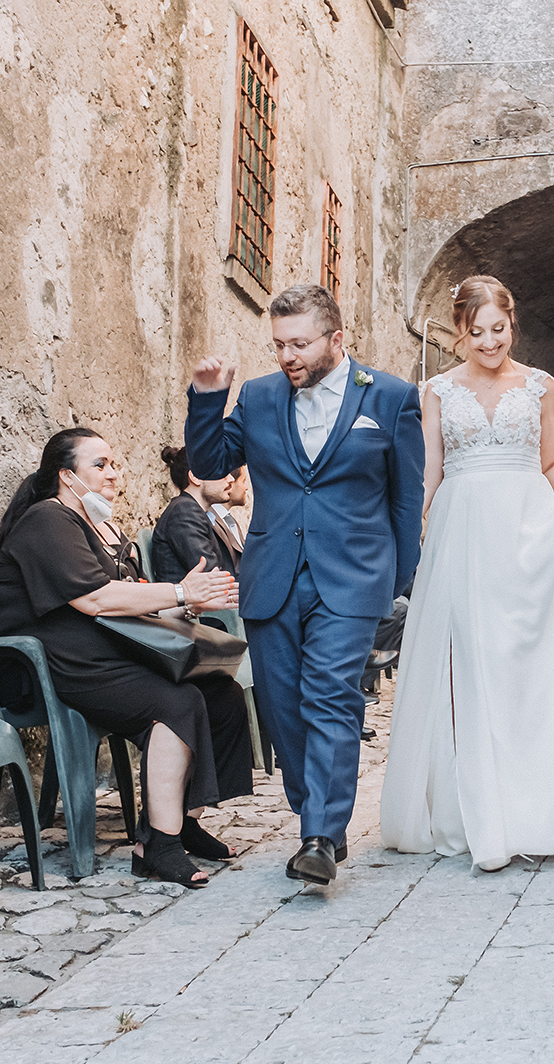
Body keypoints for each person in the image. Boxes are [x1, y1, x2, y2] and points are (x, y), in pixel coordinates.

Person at [382, 276, 554, 872]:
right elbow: (431, 472)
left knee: (530, 664)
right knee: (475, 665)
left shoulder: (542, 385)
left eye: (498, 330)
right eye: (477, 333)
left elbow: (551, 465)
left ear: (512, 325)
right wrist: (413, 534)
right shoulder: (438, 391)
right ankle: (481, 803)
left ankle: (541, 796)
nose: (490, 342)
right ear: (459, 334)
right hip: (465, 535)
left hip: (531, 531)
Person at [183, 284, 424, 887]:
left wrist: (397, 579)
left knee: (330, 695)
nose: (287, 356)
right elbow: (211, 464)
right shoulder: (261, 397)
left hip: (353, 578)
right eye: (279, 345)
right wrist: (209, 399)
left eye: (300, 343)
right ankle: (312, 811)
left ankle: (320, 832)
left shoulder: (391, 397)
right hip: (273, 577)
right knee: (284, 705)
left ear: (336, 339)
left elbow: (406, 498)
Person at [0, 428, 250, 888]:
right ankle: (158, 846)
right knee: (177, 701)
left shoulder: (100, 527)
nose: (114, 474)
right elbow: (93, 601)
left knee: (221, 693)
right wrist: (182, 590)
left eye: (115, 464)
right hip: (57, 665)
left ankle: (182, 821)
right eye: (100, 465)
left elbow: (137, 601)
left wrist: (189, 602)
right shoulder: (47, 520)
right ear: (67, 476)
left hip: (107, 656)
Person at [150, 445, 236, 584]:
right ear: (195, 477)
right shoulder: (184, 511)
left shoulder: (191, 511)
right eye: (222, 471)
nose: (231, 479)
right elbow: (212, 576)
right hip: (192, 605)